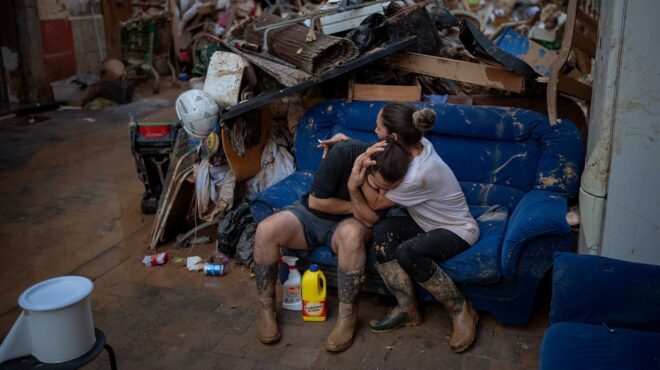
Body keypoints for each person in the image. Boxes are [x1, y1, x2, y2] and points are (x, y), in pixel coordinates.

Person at [319, 102, 480, 353]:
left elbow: (374, 203)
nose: (374, 130)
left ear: (393, 137)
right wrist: (345, 144)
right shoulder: (417, 143)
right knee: (383, 232)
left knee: (407, 252)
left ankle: (460, 309)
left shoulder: (418, 173)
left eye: (378, 127)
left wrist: (356, 175)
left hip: (456, 229)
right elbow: (379, 152)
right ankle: (407, 309)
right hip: (425, 222)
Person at [252, 137, 410, 353]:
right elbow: (316, 202)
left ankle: (347, 317)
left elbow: (371, 219)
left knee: (352, 235)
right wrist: (357, 206)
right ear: (366, 165)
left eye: (387, 191)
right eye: (376, 187)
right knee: (265, 230)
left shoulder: (398, 173)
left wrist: (355, 191)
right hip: (311, 215)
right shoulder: (344, 152)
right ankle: (265, 307)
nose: (381, 196)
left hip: (348, 225)